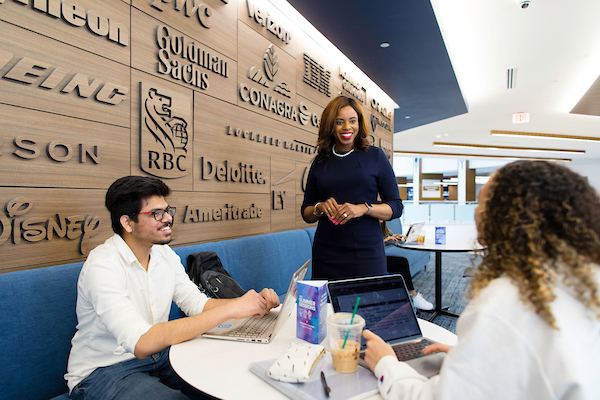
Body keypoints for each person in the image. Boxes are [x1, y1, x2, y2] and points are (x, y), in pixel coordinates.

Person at [362, 160, 600, 399]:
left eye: (481, 203)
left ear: (505, 217)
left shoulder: (504, 303)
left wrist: (386, 365)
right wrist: (471, 356)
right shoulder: (584, 283)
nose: (475, 211)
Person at [65, 176, 280, 400]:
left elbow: (196, 304)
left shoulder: (164, 254)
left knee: (232, 378)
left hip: (161, 356)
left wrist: (250, 304)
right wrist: (231, 309)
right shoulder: (103, 265)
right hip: (104, 370)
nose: (168, 218)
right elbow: (141, 342)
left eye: (167, 210)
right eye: (156, 213)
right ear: (127, 222)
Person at [301, 96, 403, 280]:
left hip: (367, 253)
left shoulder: (375, 156)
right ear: (330, 125)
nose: (347, 127)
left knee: (367, 307)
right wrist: (320, 207)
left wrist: (364, 208)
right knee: (329, 308)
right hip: (327, 252)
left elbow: (396, 207)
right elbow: (306, 212)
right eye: (339, 122)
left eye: (352, 121)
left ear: (359, 124)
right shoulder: (321, 161)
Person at [381, 221, 433, 311]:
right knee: (401, 262)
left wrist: (393, 237)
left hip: (379, 253)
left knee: (401, 261)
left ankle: (410, 296)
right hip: (370, 257)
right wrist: (384, 241)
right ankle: (413, 296)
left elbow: (384, 236)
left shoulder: (381, 223)